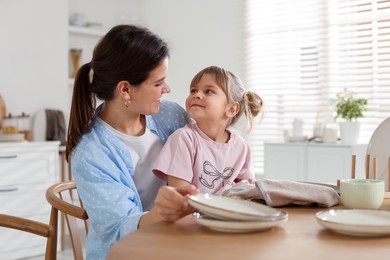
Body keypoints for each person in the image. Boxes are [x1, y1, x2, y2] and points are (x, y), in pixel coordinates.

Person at [66, 24, 198, 260]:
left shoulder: (172, 116)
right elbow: (121, 228)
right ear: (126, 89)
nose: (166, 89)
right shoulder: (90, 154)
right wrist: (164, 211)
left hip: (177, 244)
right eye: (158, 83)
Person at [153, 65, 264, 195]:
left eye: (208, 91)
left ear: (231, 109)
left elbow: (248, 191)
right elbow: (180, 193)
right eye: (193, 90)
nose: (197, 95)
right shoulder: (184, 139)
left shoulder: (241, 147)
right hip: (193, 213)